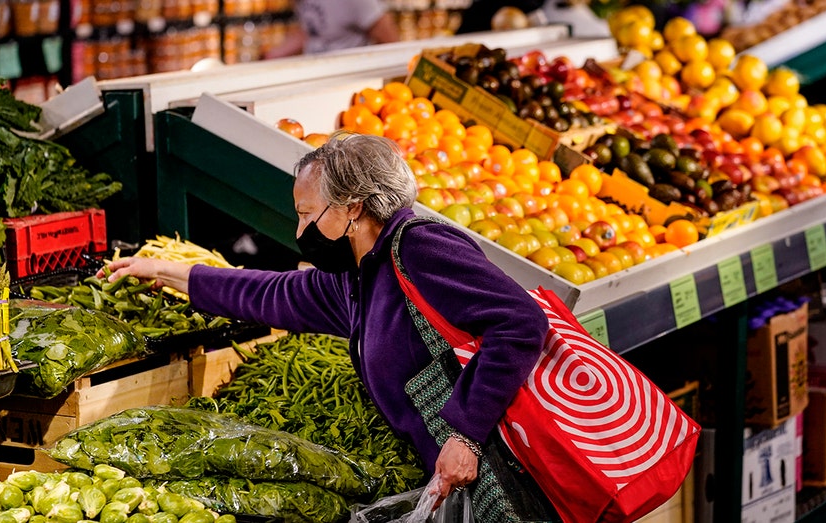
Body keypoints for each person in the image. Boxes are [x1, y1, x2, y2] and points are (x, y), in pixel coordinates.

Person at [103, 132, 552, 513]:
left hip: (511, 469)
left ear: (353, 208)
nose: (301, 233)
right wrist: (163, 271)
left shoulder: (420, 247)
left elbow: (521, 323)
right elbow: (269, 294)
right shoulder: (356, 277)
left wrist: (466, 434)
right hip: (455, 476)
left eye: (306, 214)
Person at [266, 0, 399, 58]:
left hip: (344, 80)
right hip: (314, 72)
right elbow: (312, 31)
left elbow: (391, 42)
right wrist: (272, 55)